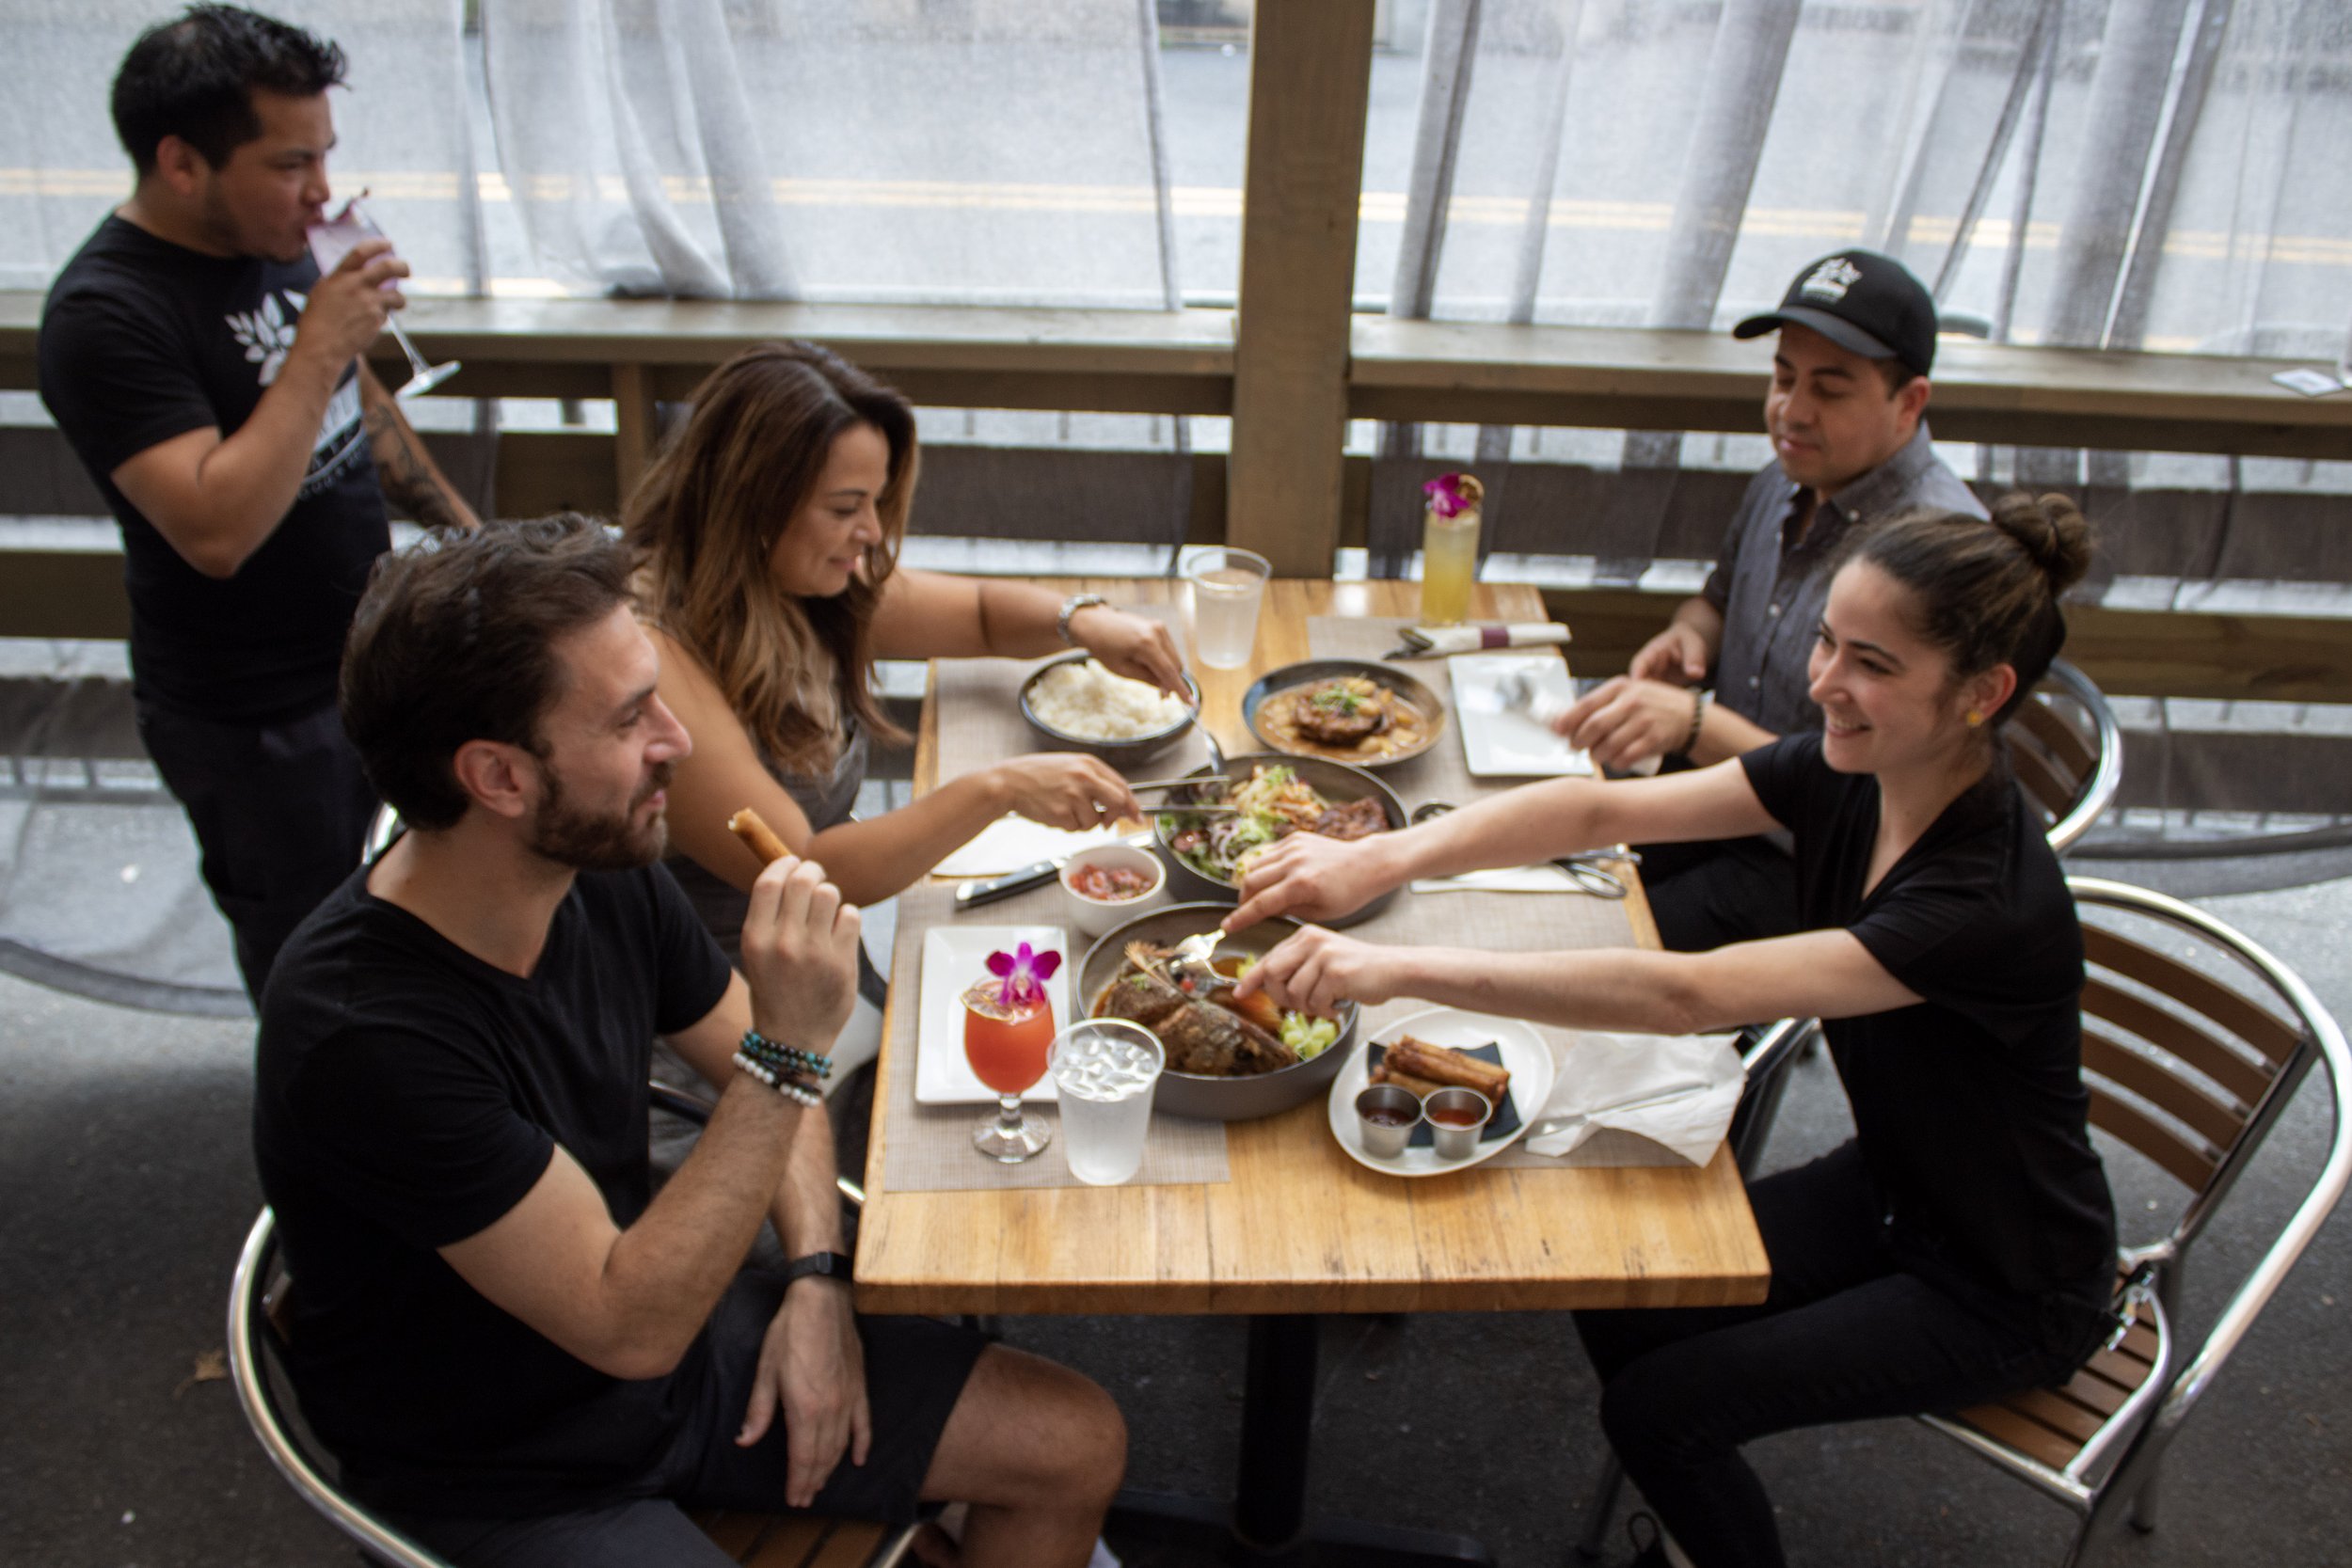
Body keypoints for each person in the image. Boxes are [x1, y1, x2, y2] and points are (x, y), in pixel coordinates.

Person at [1229, 494, 2117, 1568]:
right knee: (1617, 1288)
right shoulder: (1855, 773)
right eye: (1827, 640)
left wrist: (1393, 962)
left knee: (1659, 1409)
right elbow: (1596, 810)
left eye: (1871, 663)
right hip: (1891, 1181)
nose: (1823, 681)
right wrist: (1381, 858)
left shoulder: (1980, 899)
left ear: (1982, 693)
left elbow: (1686, 996)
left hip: (2003, 1277)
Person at [254, 515, 1124, 1568]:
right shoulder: (363, 1036)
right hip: (509, 1469)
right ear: (498, 776)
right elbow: (628, 1319)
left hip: (676, 1345)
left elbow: (757, 1077)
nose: (677, 739)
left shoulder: (603, 869)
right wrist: (791, 1047)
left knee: (1074, 1442)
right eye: (630, 718)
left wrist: (812, 1277)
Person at [39, 4, 479, 1000]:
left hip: (372, 661)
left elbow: (357, 409)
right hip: (254, 716)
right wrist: (322, 338)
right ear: (181, 163)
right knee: (320, 966)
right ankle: (333, 1149)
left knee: (430, 920)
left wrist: (477, 544)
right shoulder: (105, 313)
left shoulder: (277, 238)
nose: (320, 191)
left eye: (325, 156)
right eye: (289, 164)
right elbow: (214, 528)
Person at [624, 341, 1184, 1084]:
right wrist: (1001, 788)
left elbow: (981, 615)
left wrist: (1085, 620)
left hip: (830, 969)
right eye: (847, 508)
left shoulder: (791, 578)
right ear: (753, 499)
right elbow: (808, 866)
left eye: (878, 503)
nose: (875, 534)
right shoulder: (653, 651)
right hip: (725, 1024)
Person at [1556, 249, 1984, 952]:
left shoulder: (1938, 553)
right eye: (1783, 377)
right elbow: (1714, 604)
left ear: (1909, 403)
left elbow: (1876, 803)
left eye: (1831, 389)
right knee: (1524, 867)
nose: (1793, 410)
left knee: (1578, 948)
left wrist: (1695, 723)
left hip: (1811, 866)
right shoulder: (1787, 479)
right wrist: (1687, 638)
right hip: (1710, 804)